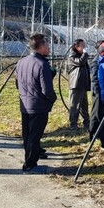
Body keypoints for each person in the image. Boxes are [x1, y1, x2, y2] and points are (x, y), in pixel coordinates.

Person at [15, 34, 57, 173]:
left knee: (27, 134)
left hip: (25, 103)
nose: (49, 47)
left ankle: (31, 158)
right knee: (34, 135)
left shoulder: (21, 62)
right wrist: (52, 99)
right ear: (41, 47)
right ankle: (30, 164)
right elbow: (47, 90)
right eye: (47, 45)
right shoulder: (42, 64)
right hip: (38, 105)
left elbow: (17, 83)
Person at [67, 38, 90, 130]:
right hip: (76, 84)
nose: (84, 48)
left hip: (83, 84)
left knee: (84, 105)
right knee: (74, 105)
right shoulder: (72, 57)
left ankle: (87, 123)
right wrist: (85, 54)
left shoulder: (81, 56)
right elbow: (80, 62)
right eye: (82, 46)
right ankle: (73, 125)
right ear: (76, 47)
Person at [88, 40, 104, 140]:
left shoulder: (102, 59)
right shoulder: (96, 60)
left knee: (101, 112)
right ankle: (93, 133)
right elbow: (94, 77)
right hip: (97, 90)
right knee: (96, 112)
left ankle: (99, 133)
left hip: (102, 90)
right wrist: (97, 90)